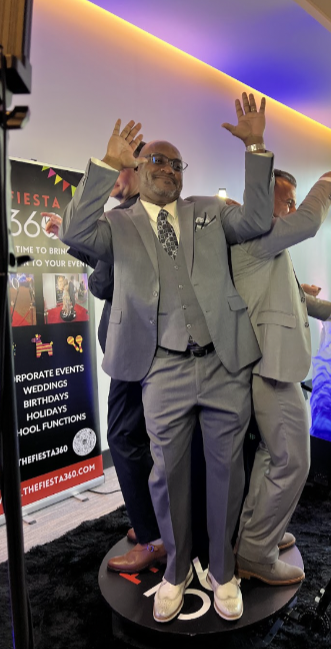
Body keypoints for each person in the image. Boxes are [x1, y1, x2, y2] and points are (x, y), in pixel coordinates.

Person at [54, 92, 275, 623]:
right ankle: (176, 570)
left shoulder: (208, 211)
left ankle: (221, 572)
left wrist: (256, 145)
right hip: (162, 369)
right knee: (167, 474)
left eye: (176, 163)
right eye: (156, 159)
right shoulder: (118, 224)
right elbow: (72, 232)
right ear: (138, 166)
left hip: (224, 363)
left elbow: (259, 221)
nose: (167, 169)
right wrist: (107, 165)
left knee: (228, 473)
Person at [231, 168, 331, 585]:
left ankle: (257, 537)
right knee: (294, 461)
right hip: (270, 370)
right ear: (260, 201)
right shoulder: (253, 239)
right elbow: (311, 222)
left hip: (277, 367)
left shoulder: (266, 247)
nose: (294, 208)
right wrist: (328, 185)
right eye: (287, 198)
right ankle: (256, 553)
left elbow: (298, 300)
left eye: (296, 200)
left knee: (271, 458)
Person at [43, 141, 166, 573]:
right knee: (146, 441)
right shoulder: (142, 217)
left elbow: (105, 281)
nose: (116, 180)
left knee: (125, 439)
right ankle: (154, 524)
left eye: (121, 170)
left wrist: (75, 238)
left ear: (140, 170)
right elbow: (108, 261)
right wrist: (72, 238)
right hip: (144, 348)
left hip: (134, 351)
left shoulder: (128, 218)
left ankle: (152, 539)